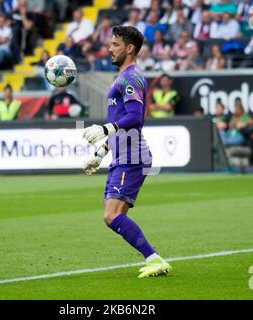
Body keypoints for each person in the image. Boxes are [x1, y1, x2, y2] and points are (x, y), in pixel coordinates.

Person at [81, 26, 171, 279]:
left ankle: (154, 259)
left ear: (129, 48)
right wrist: (101, 153)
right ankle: (154, 259)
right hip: (123, 155)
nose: (109, 49)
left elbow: (134, 118)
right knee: (114, 215)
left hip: (132, 156)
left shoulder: (131, 78)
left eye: (115, 45)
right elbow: (122, 123)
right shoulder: (122, 78)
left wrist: (104, 127)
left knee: (111, 215)